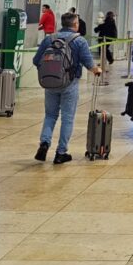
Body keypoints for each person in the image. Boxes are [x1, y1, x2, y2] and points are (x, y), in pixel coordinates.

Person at [32, 12, 101, 163]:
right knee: (67, 118)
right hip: (70, 84)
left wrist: (51, 72)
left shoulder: (49, 39)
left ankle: (44, 143)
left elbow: (36, 60)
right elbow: (90, 64)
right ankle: (61, 152)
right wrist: (97, 70)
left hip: (50, 83)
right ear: (75, 24)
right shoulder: (79, 41)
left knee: (50, 115)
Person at [94, 11, 118, 83]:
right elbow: (114, 31)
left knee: (102, 50)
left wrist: (97, 27)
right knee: (105, 49)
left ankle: (106, 61)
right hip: (108, 39)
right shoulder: (112, 22)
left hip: (102, 38)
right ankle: (108, 60)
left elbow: (97, 29)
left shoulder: (105, 22)